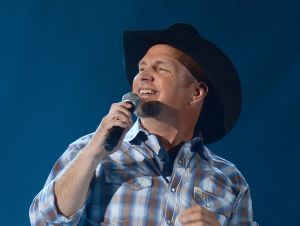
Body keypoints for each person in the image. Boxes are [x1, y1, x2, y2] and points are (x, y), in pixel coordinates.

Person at [29, 23, 258, 226]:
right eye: (141, 69)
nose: (143, 77)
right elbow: (43, 220)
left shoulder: (230, 178)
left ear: (196, 92)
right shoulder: (90, 148)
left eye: (161, 69)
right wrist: (93, 155)